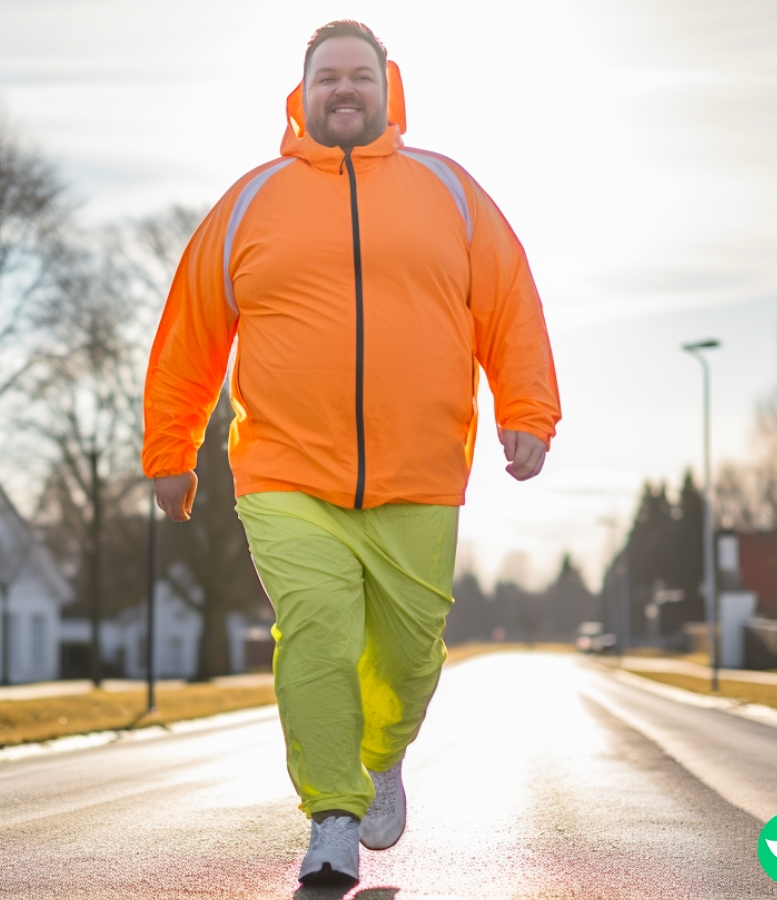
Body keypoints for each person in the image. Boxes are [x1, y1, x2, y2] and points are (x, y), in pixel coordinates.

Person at [142, 19, 561, 886]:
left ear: (386, 87)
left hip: (420, 474)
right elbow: (190, 333)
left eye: (359, 76)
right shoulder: (252, 202)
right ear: (302, 94)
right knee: (318, 637)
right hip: (283, 474)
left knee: (410, 657)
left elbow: (510, 303)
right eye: (327, 76)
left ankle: (381, 759)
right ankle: (330, 816)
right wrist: (170, 450)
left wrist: (529, 409)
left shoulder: (449, 191)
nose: (344, 89)